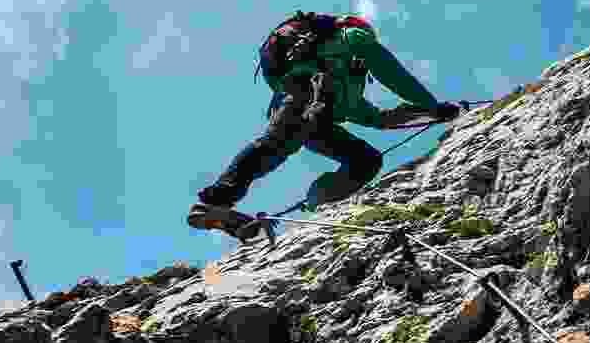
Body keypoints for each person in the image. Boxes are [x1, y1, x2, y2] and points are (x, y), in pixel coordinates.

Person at [187, 12, 460, 237]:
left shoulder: (348, 92)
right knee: (276, 145)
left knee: (366, 160)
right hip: (304, 92)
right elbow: (392, 73)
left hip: (312, 114)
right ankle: (213, 203)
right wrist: (430, 104)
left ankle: (320, 200)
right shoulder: (351, 37)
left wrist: (432, 113)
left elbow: (380, 119)